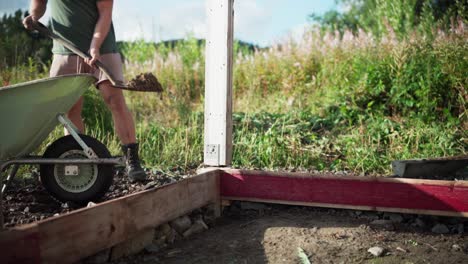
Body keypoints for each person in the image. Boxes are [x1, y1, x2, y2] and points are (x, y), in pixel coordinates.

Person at [23, 0, 147, 182]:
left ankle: (132, 160)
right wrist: (34, 16)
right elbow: (38, 3)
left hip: (102, 47)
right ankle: (79, 159)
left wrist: (95, 46)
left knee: (115, 101)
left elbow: (105, 12)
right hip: (65, 49)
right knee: (70, 109)